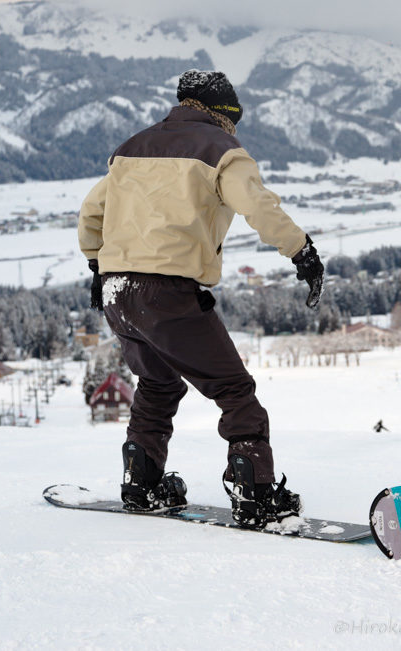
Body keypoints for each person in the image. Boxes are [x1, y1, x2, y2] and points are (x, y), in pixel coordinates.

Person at [77, 69, 324, 529]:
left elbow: (91, 214)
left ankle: (141, 481)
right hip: (167, 292)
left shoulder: (132, 147)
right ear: (225, 114)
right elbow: (258, 205)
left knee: (158, 384)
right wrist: (301, 250)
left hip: (117, 291)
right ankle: (255, 494)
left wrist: (98, 266)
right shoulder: (221, 151)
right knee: (234, 391)